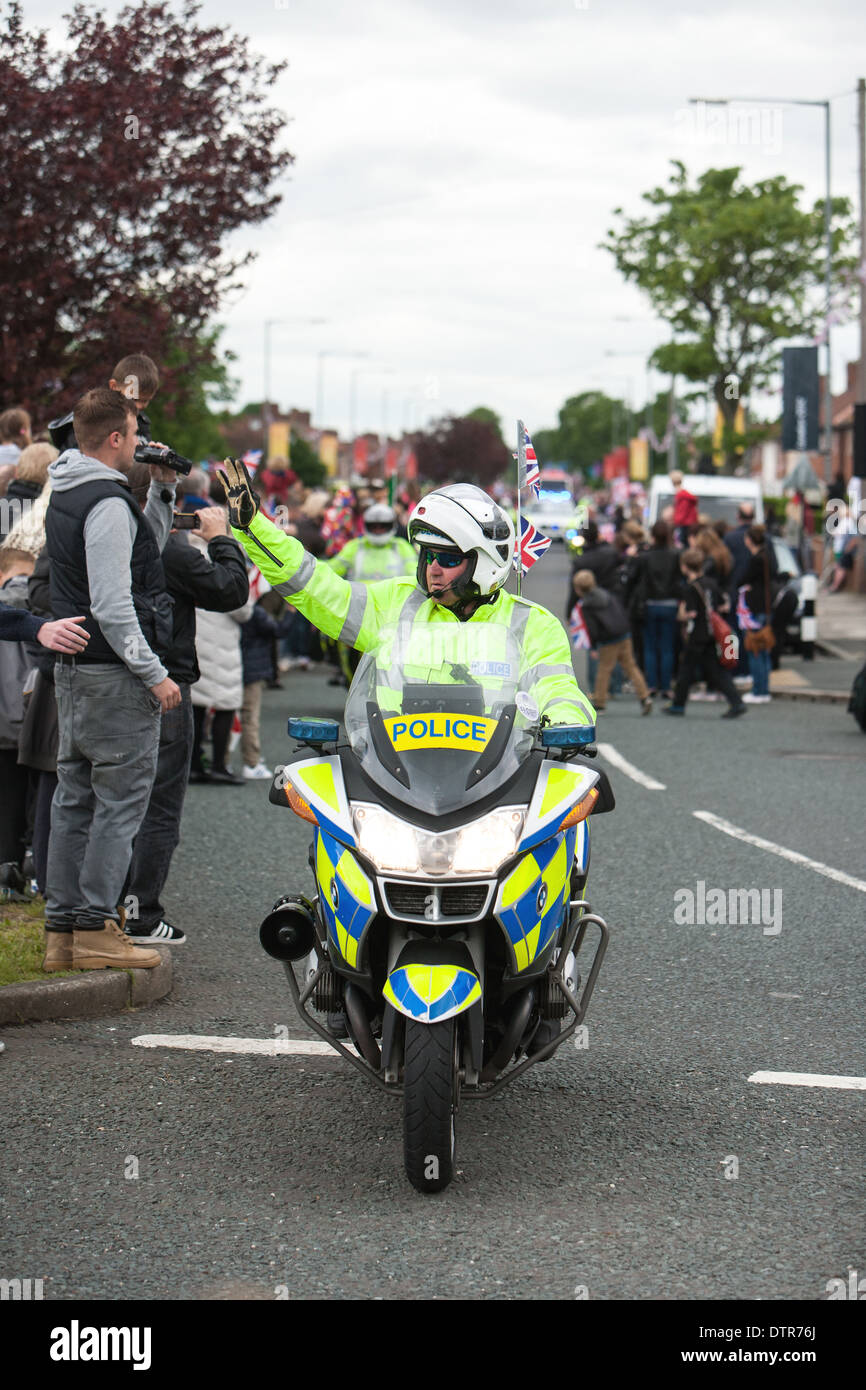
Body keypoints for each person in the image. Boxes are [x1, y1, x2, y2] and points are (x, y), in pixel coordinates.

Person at [218, 463, 595, 731]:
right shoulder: (395, 604)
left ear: (487, 563)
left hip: (497, 783)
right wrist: (254, 528)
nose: (432, 568)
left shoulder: (532, 624)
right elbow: (316, 586)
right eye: (427, 555)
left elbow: (558, 688)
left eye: (447, 558)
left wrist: (566, 725)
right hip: (394, 781)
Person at [42, 388, 181, 972]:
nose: (137, 441)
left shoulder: (68, 488)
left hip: (76, 673)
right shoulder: (104, 501)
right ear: (116, 438)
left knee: (72, 800)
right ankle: (98, 928)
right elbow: (114, 603)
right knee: (119, 806)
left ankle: (63, 935)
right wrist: (155, 674)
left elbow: (139, 552)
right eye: (132, 431)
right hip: (113, 675)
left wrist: (162, 487)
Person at [123, 467, 250, 941]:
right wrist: (219, 537)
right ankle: (141, 914)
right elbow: (232, 591)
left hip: (108, 676)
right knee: (158, 805)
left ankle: (99, 909)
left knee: (107, 801)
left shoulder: (93, 531)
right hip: (167, 683)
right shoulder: (167, 550)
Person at [663, 548, 745, 719]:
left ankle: (678, 705)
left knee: (686, 669)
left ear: (685, 567)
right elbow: (724, 606)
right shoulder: (712, 583)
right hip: (712, 634)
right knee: (717, 670)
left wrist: (681, 613)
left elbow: (691, 614)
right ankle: (736, 701)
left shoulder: (691, 588)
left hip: (697, 634)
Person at [571, 571, 652, 715]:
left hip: (608, 639)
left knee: (604, 669)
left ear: (577, 589)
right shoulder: (606, 594)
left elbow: (592, 628)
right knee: (631, 666)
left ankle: (600, 703)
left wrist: (594, 646)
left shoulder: (587, 605)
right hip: (623, 633)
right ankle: (644, 696)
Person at [48, 353, 160, 453]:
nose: (139, 406)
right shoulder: (91, 420)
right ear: (114, 387)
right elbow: (74, 466)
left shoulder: (141, 423)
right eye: (134, 399)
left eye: (145, 401)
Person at [625, 520, 681, 700]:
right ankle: (666, 686)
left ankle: (651, 685)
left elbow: (632, 579)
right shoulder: (676, 555)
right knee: (667, 647)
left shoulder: (644, 557)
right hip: (670, 603)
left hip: (650, 603)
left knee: (649, 647)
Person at [738, 525, 774, 704]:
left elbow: (742, 578)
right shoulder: (768, 556)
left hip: (754, 608)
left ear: (750, 540)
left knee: (754, 649)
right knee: (764, 650)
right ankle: (764, 689)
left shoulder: (755, 559)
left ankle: (758, 690)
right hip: (766, 607)